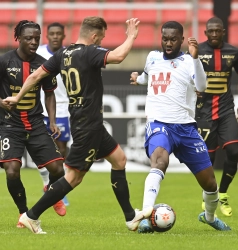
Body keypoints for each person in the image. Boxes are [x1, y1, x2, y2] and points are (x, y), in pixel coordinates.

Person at [4, 16, 153, 234]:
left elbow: (35, 76)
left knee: (119, 159)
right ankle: (31, 216)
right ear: (94, 36)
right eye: (100, 37)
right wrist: (131, 36)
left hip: (90, 123)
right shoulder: (90, 52)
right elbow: (119, 56)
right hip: (88, 125)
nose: (100, 41)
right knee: (73, 178)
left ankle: (130, 217)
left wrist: (17, 98)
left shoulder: (62, 55)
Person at [130, 21, 231, 233]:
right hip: (159, 124)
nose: (168, 43)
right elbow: (147, 78)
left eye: (173, 39)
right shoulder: (152, 58)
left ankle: (210, 217)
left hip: (186, 128)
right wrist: (137, 79)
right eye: (165, 38)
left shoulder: (188, 61)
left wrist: (195, 58)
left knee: (210, 184)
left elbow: (202, 86)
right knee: (160, 161)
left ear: (181, 40)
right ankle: (147, 214)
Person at [0, 20, 67, 228]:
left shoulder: (43, 64)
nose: (33, 42)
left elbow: (49, 95)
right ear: (18, 38)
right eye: (28, 38)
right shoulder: (4, 62)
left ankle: (51, 191)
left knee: (58, 170)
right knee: (11, 170)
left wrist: (53, 121)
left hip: (36, 123)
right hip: (10, 125)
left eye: (37, 38)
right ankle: (23, 214)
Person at [196, 17, 238, 217]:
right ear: (206, 33)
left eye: (218, 31)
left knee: (233, 152)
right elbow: (184, 76)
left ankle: (223, 193)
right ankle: (209, 195)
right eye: (211, 31)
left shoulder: (234, 52)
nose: (215, 34)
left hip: (226, 110)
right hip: (204, 112)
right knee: (207, 159)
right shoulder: (197, 52)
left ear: (223, 31)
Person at [37, 22, 70, 206]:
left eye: (59, 33)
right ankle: (46, 183)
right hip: (40, 107)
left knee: (61, 149)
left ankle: (56, 187)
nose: (56, 36)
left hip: (63, 107)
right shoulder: (39, 54)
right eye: (52, 34)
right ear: (47, 36)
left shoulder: (68, 55)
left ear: (63, 36)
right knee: (41, 148)